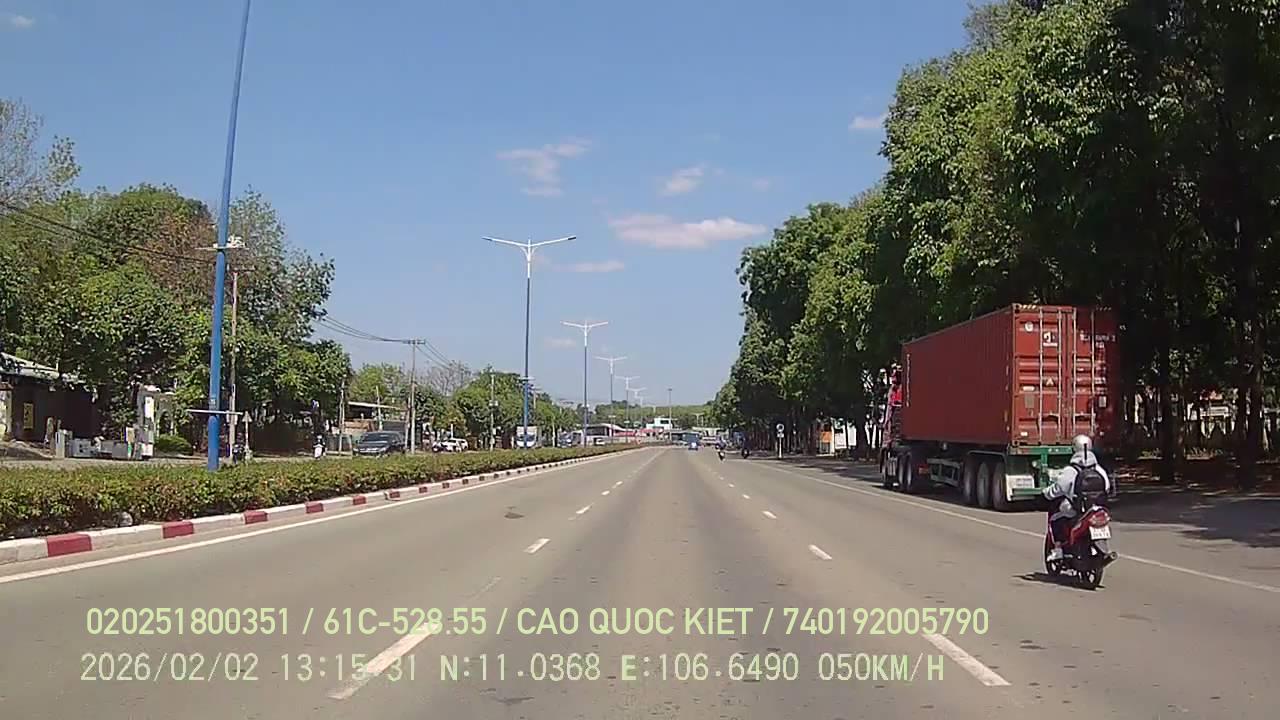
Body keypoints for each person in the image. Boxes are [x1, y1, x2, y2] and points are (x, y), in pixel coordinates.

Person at [1043, 434, 1113, 561]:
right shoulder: (1098, 469)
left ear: (1074, 448)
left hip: (1077, 509)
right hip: (1096, 508)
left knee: (1055, 518)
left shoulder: (1070, 470)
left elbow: (1058, 489)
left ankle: (1058, 549)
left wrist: (1046, 493)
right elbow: (1107, 487)